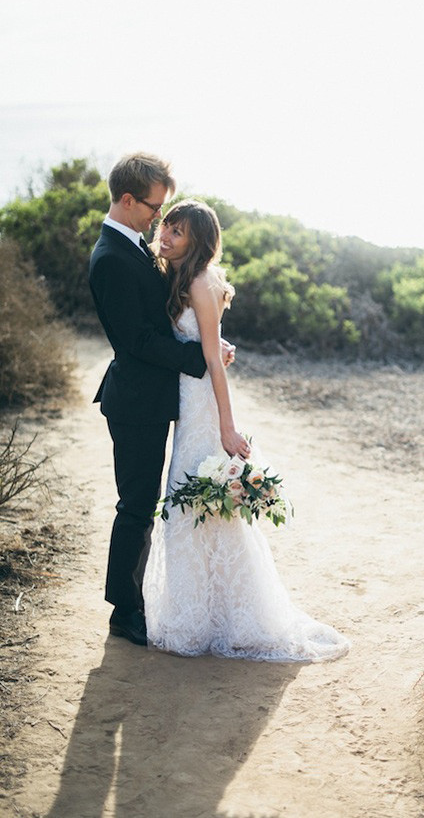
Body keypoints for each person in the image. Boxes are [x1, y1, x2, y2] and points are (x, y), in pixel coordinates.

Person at [142, 199, 350, 662]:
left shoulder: (199, 281)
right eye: (167, 227)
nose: (167, 236)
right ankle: (203, 613)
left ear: (197, 241)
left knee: (191, 504)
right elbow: (207, 342)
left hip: (200, 403)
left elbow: (214, 360)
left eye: (177, 232)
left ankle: (213, 618)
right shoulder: (183, 276)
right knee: (194, 506)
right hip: (187, 393)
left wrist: (227, 426)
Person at [89, 153, 235, 647]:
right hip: (135, 402)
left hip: (158, 398)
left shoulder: (135, 247)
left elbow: (167, 314)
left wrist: (211, 341)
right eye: (154, 207)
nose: (158, 217)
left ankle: (140, 601)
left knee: (149, 502)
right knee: (136, 505)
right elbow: (137, 340)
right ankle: (125, 610)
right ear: (128, 200)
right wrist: (199, 357)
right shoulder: (111, 257)